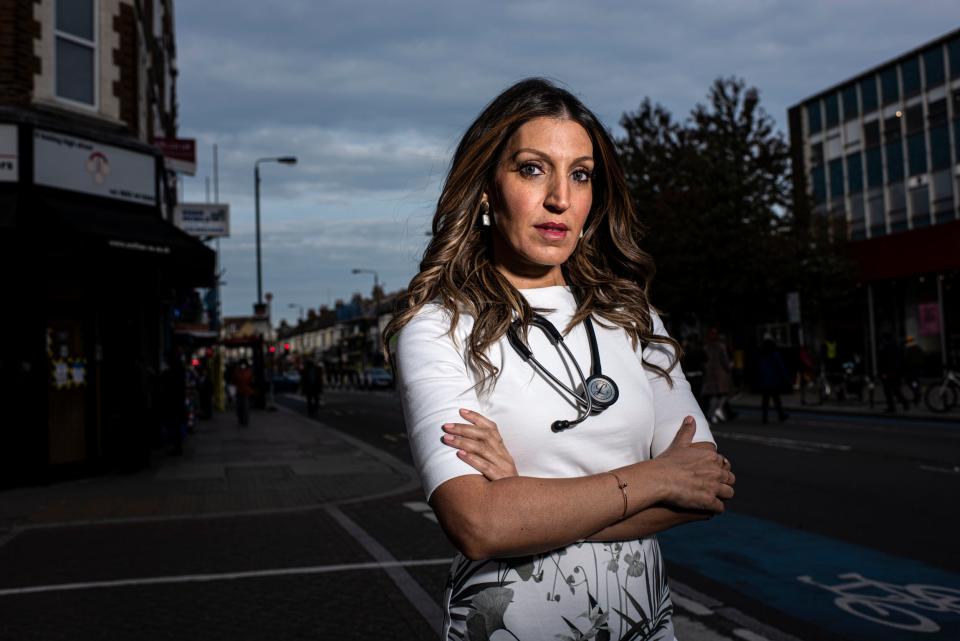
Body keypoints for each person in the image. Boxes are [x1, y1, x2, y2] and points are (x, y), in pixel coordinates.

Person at [384, 79, 734, 641]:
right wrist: (656, 478)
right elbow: (478, 522)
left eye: (580, 174)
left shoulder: (632, 316)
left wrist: (527, 499)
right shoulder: (439, 327)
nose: (559, 199)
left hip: (643, 624)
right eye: (531, 169)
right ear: (484, 192)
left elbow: (706, 487)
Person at [701, 328, 734, 423]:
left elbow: (704, 361)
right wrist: (730, 367)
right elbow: (724, 361)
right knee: (724, 394)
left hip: (710, 374)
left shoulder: (706, 347)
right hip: (721, 374)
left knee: (713, 396)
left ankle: (711, 415)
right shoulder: (721, 347)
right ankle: (717, 410)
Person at [757, 335, 789, 423]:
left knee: (765, 400)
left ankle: (765, 417)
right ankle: (781, 414)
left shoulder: (762, 355)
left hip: (765, 381)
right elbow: (781, 368)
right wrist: (786, 380)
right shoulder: (775, 355)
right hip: (774, 381)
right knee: (776, 399)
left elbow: (760, 368)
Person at [232, 360, 254, 426]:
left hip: (246, 392)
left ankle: (245, 421)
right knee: (239, 408)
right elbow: (233, 381)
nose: (243, 366)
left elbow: (251, 381)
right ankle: (240, 420)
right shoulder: (237, 371)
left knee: (245, 407)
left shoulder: (249, 371)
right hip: (239, 392)